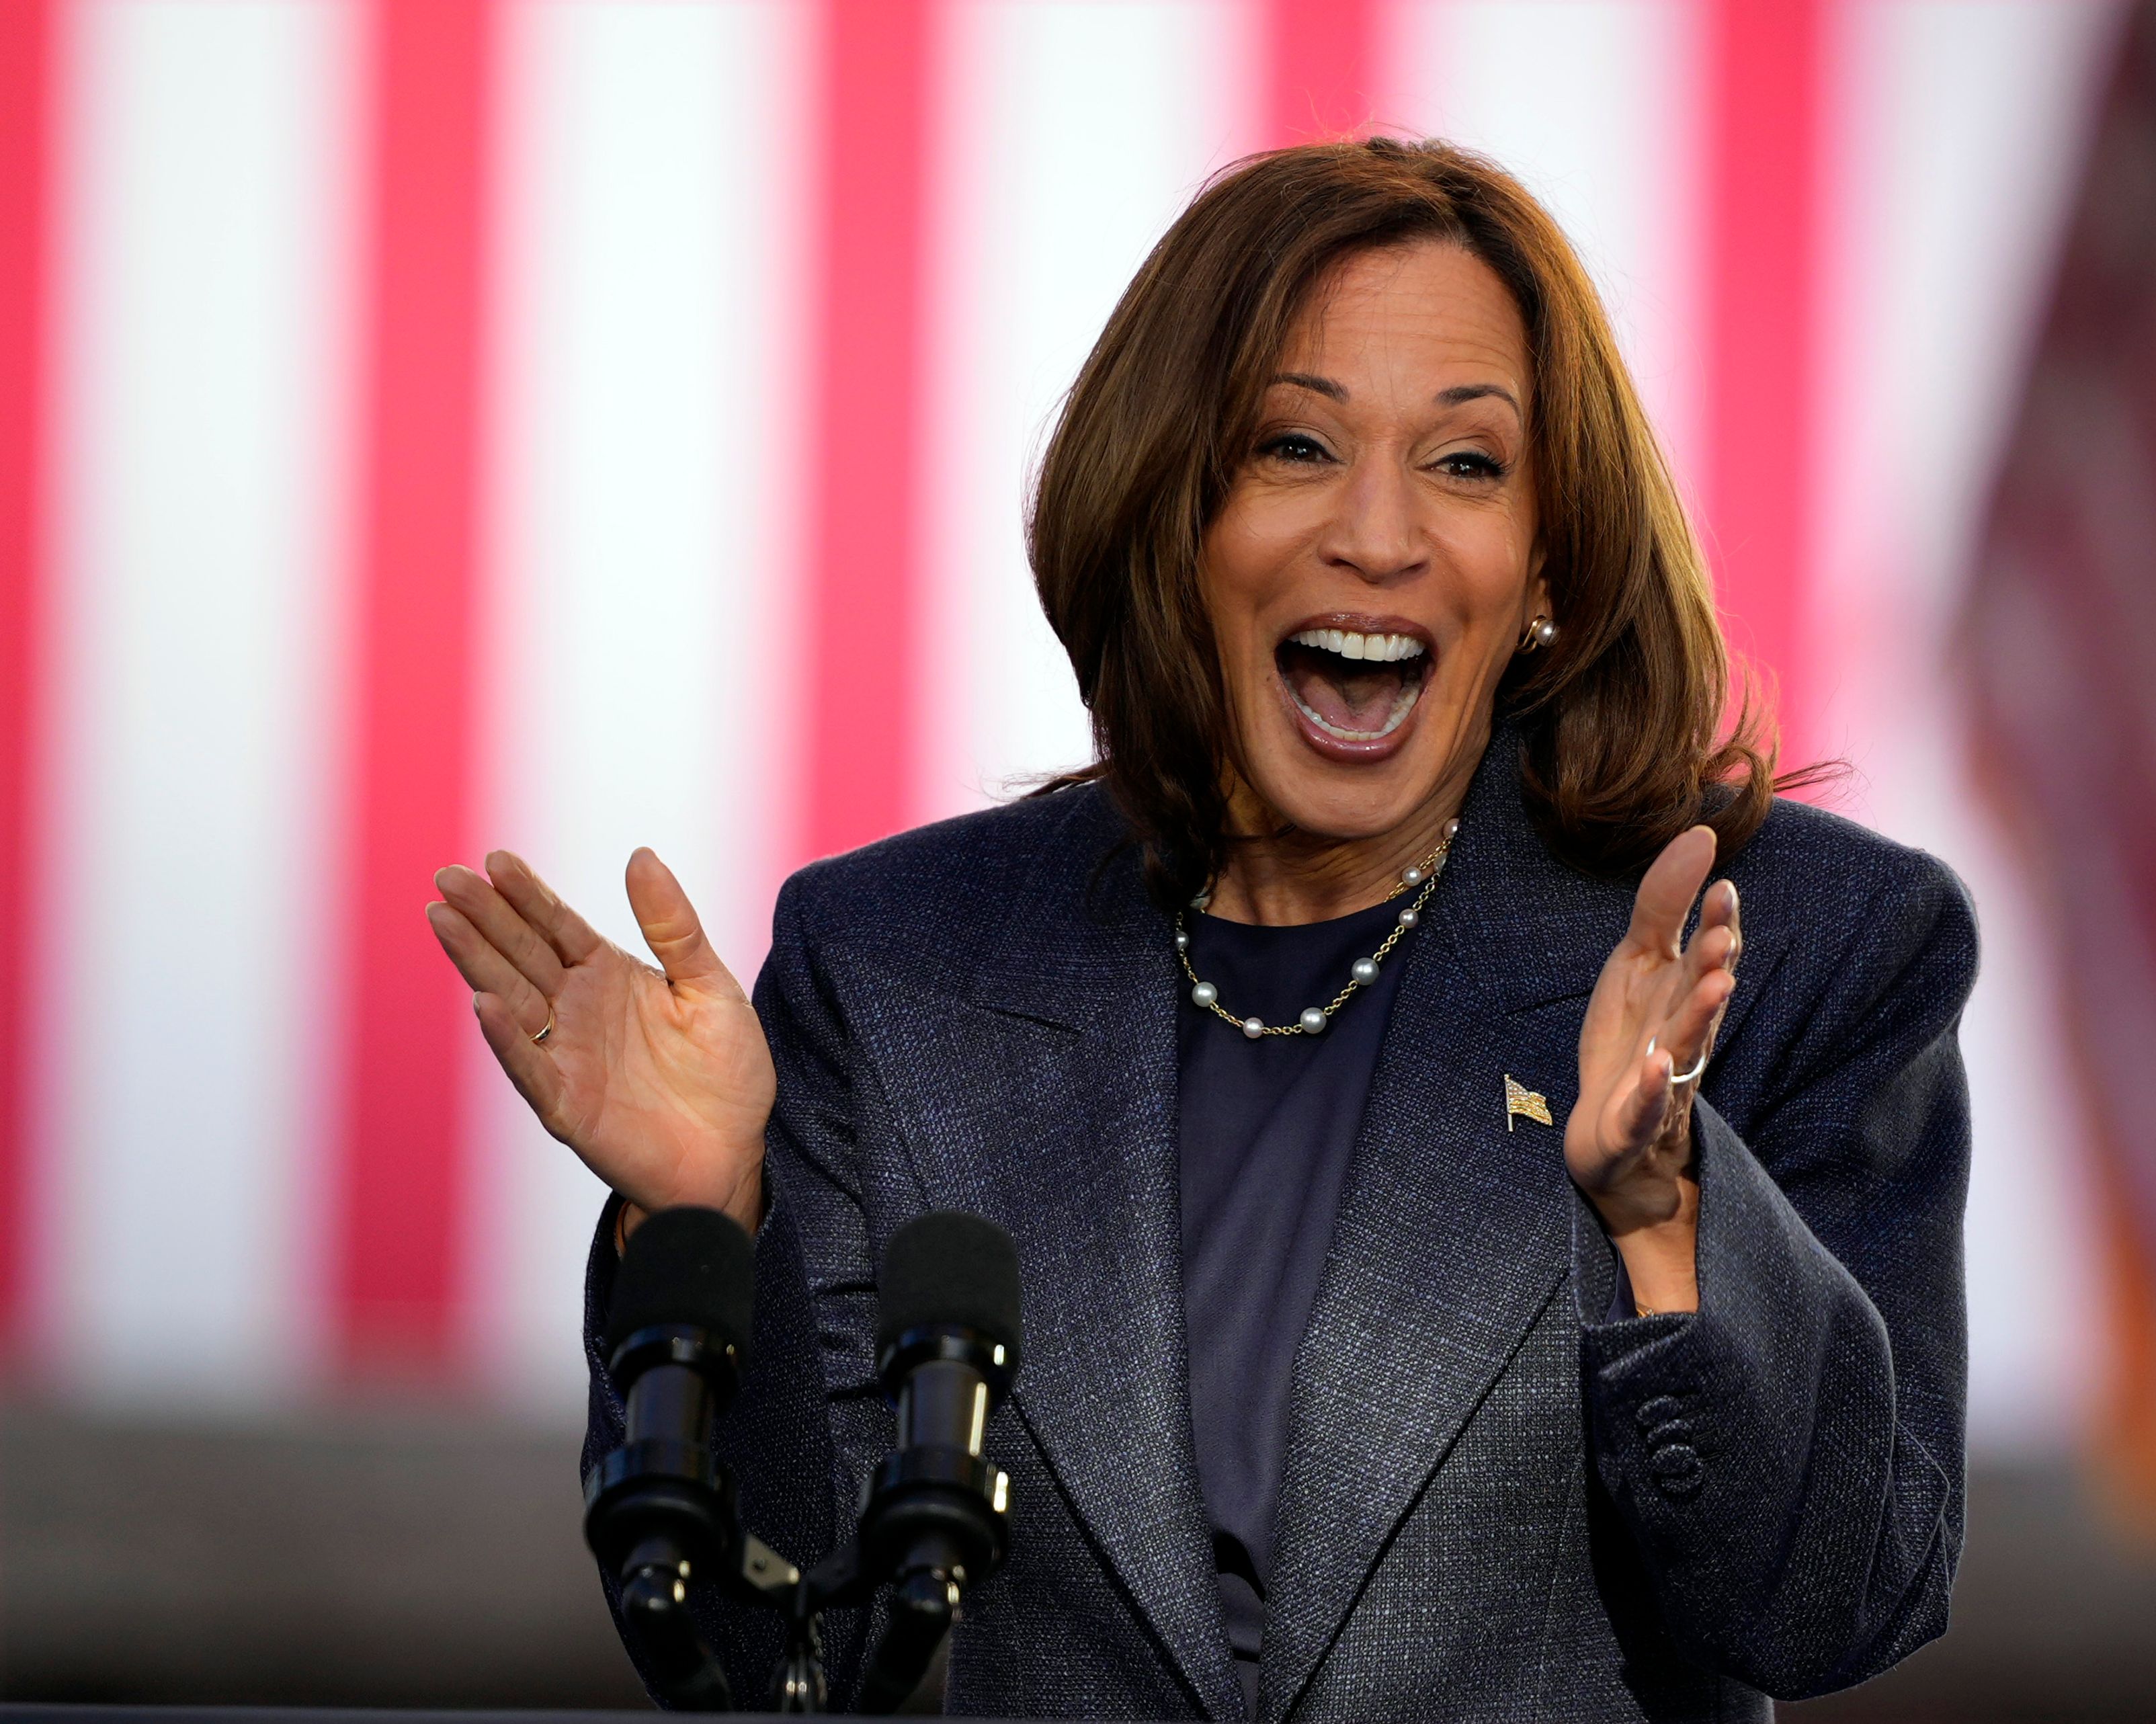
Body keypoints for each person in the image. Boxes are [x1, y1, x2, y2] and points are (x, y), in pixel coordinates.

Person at [427, 138, 1976, 1723]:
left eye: (1464, 464)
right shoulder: (897, 962)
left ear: (1548, 572)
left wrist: (1665, 1216)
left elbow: (1839, 1600)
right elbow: (781, 1659)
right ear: (1171, 510)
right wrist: (711, 1213)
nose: (1378, 534)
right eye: (1295, 445)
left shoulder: (1798, 946)